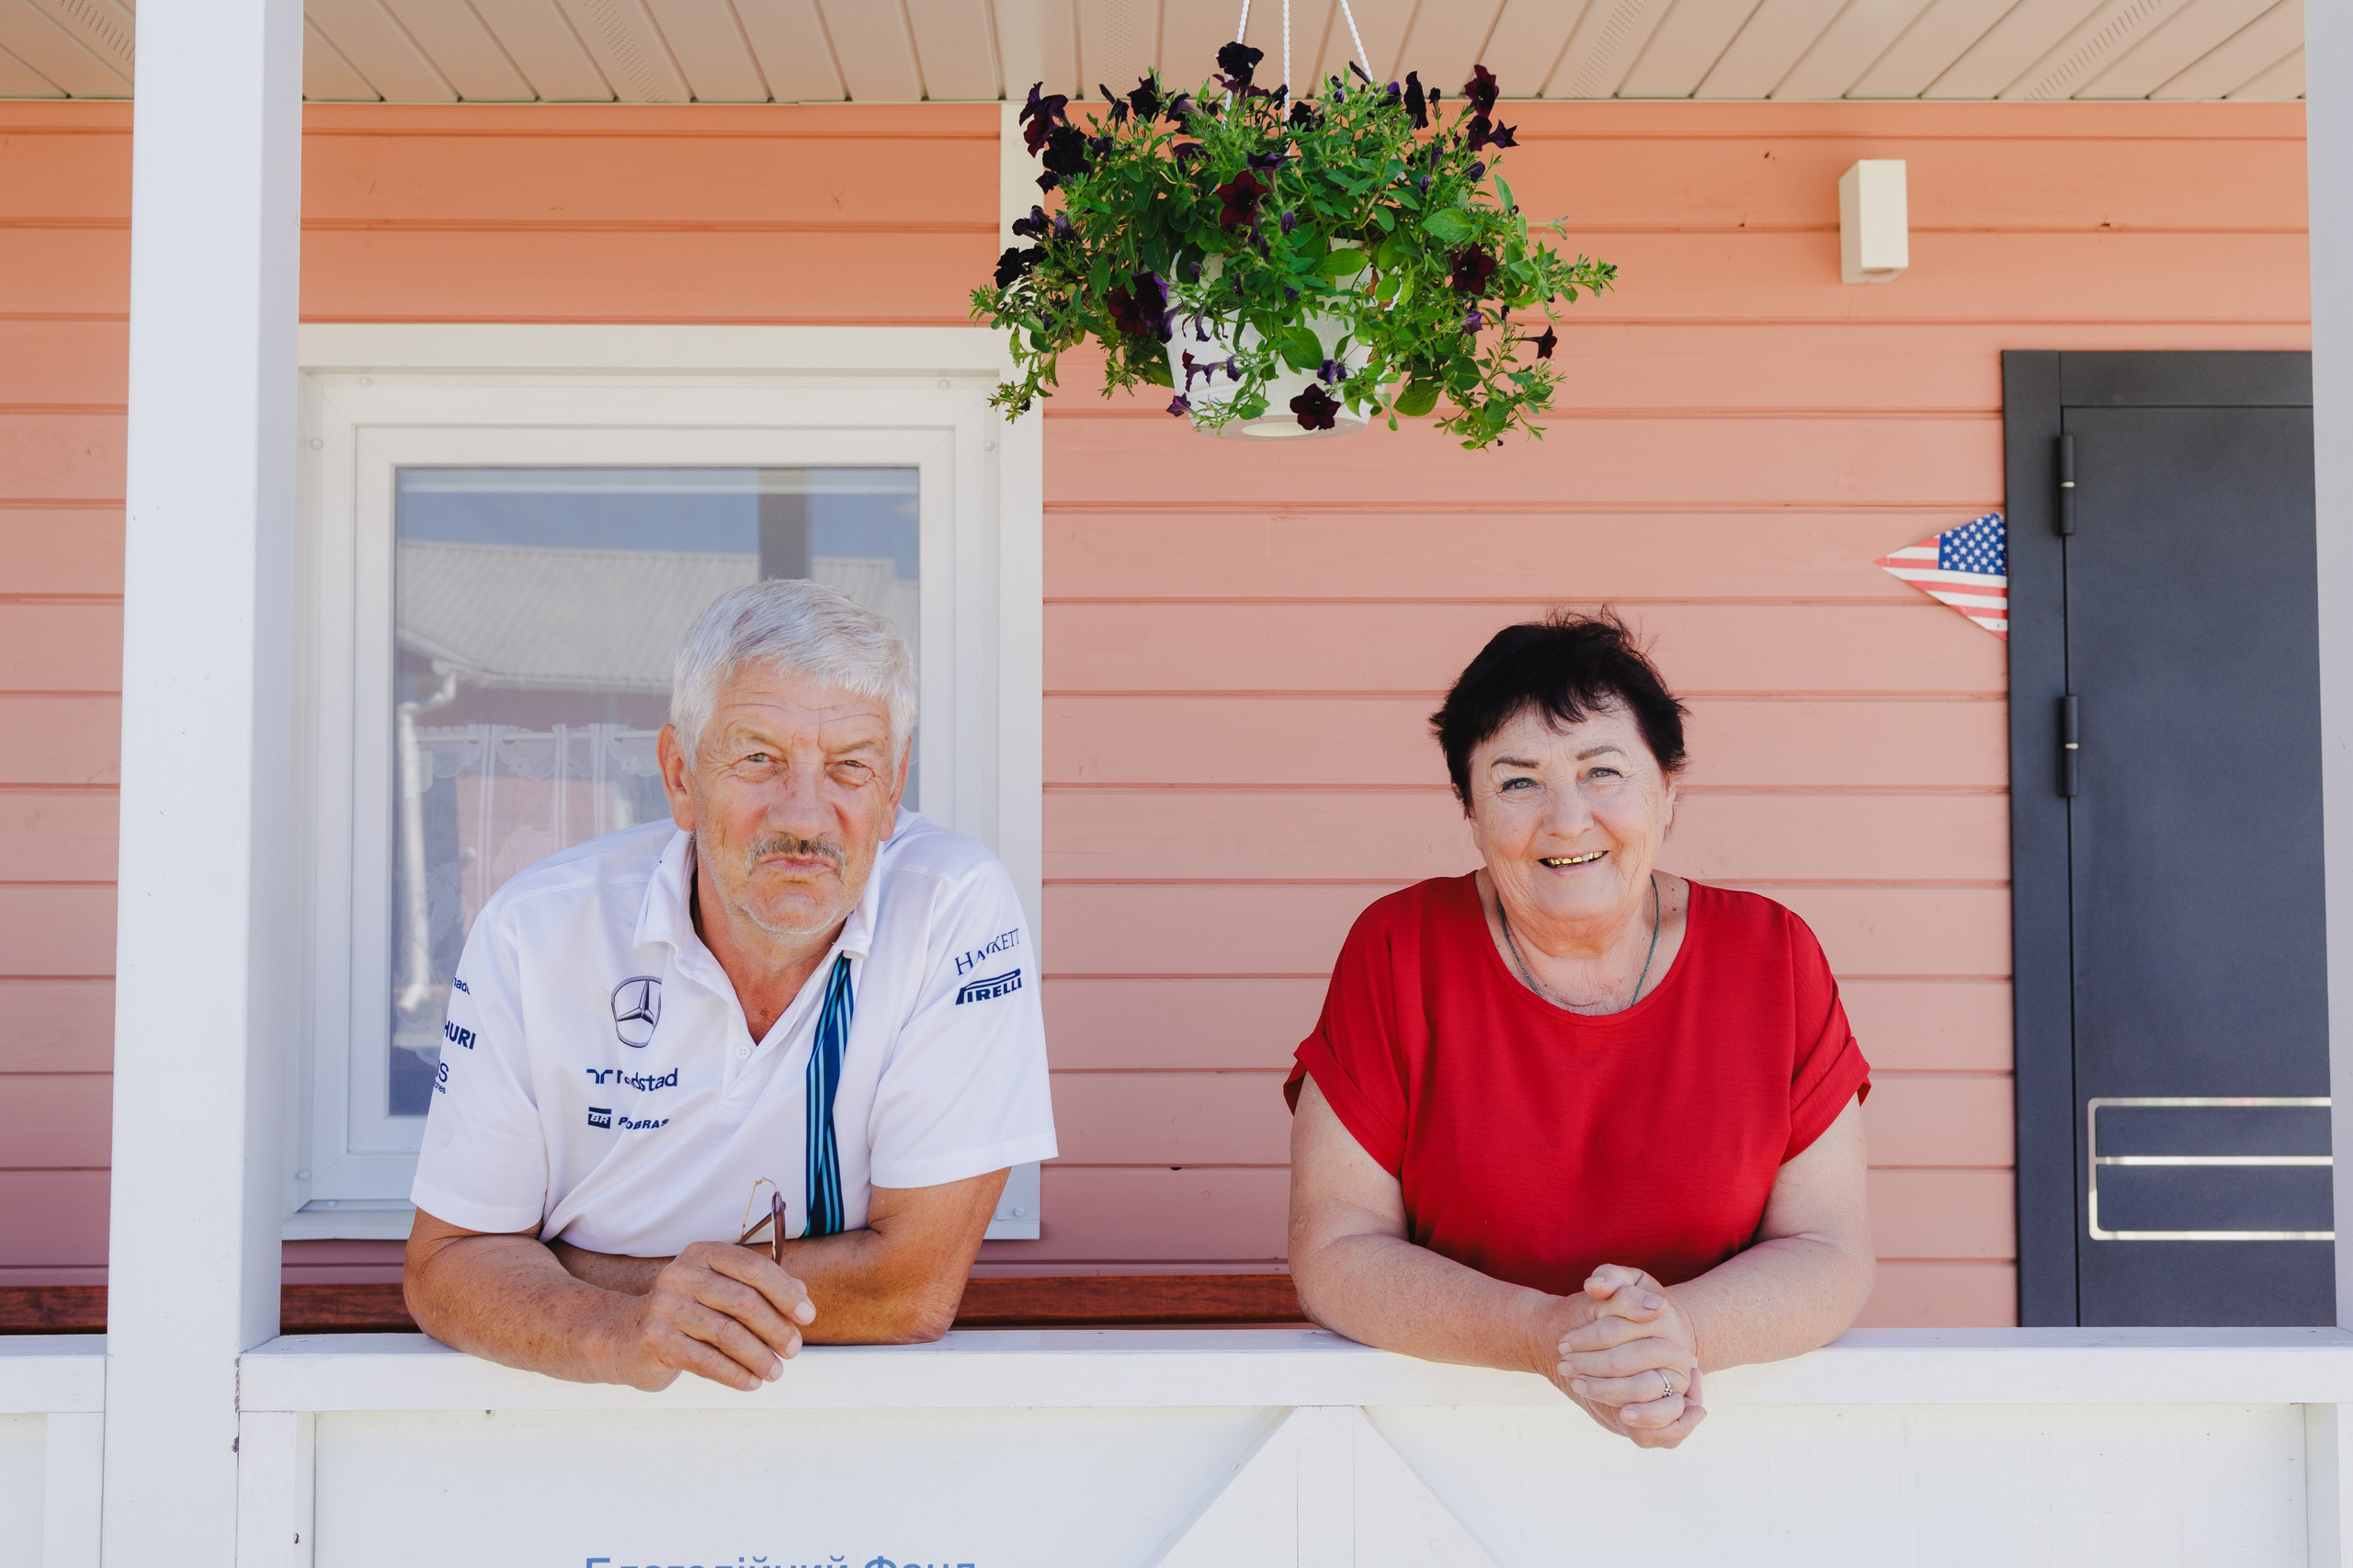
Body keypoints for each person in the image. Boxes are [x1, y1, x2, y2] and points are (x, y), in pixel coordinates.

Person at [403, 578, 1056, 1392]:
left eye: (852, 766)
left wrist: (577, 1271)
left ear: (894, 788)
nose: (807, 817)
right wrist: (621, 1332)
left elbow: (909, 1293)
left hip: (855, 1423)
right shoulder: (535, 929)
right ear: (680, 775)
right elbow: (448, 1265)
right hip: (567, 1412)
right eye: (759, 759)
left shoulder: (954, 908)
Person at [1285, 611, 1874, 1449]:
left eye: (1604, 772)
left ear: (1669, 790)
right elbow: (1337, 1253)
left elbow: (1830, 1247)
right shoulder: (1398, 949)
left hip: (1726, 1439)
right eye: (1517, 782)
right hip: (1435, 1438)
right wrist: (1546, 1335)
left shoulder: (1773, 955)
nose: (1567, 820)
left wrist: (1671, 1337)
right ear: (1469, 807)